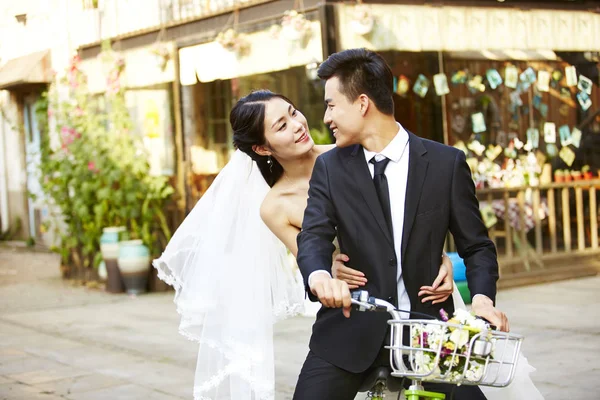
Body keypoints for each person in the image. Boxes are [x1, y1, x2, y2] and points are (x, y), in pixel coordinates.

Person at [153, 89, 455, 400]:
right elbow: (311, 257)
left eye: (294, 112)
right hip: (353, 310)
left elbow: (407, 211)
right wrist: (327, 269)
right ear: (262, 147)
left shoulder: (350, 151)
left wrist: (439, 254)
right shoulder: (275, 207)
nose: (298, 124)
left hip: (415, 295)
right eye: (281, 126)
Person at [294, 48, 509, 400]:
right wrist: (319, 276)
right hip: (350, 331)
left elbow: (477, 246)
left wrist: (482, 300)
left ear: (362, 103)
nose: (327, 116)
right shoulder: (330, 168)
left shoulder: (446, 164)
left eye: (331, 105)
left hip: (430, 334)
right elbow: (314, 235)